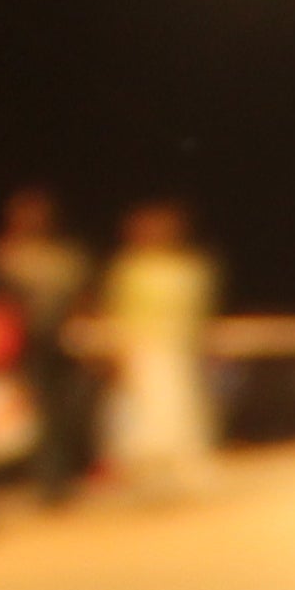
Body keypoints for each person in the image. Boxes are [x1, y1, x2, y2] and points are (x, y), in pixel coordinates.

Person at [96, 198, 222, 496]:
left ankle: (186, 472)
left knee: (182, 411)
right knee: (142, 416)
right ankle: (146, 476)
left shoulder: (192, 268)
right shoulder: (128, 268)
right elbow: (118, 313)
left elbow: (199, 314)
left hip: (181, 351)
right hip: (143, 350)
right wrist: (121, 352)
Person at [0, 183, 98, 498]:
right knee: (35, 414)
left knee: (72, 410)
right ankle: (47, 483)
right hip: (28, 346)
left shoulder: (66, 256)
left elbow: (85, 298)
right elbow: (1, 302)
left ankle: (72, 475)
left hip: (69, 345)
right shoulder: (6, 256)